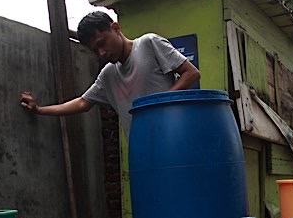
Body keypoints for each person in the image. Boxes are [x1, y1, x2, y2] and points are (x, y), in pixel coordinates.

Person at [20, 11, 200, 135]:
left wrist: (157, 105)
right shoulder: (108, 74)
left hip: (174, 138)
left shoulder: (148, 44)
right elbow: (83, 103)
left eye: (102, 43)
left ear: (115, 28)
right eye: (95, 50)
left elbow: (191, 74)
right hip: (141, 147)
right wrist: (39, 109)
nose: (102, 53)